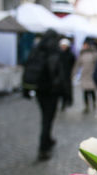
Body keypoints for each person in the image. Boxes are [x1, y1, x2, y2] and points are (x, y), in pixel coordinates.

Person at [22, 29, 66, 161]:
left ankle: (47, 139)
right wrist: (63, 92)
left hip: (40, 91)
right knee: (48, 118)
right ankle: (43, 147)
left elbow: (27, 68)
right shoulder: (55, 52)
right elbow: (60, 75)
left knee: (45, 117)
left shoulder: (37, 50)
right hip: (51, 92)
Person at [73, 40, 97, 113]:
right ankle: (86, 106)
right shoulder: (82, 53)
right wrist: (74, 73)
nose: (84, 46)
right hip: (84, 75)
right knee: (85, 92)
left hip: (92, 75)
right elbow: (77, 64)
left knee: (92, 91)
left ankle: (94, 104)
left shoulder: (94, 53)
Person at [58, 38, 75, 110]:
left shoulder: (70, 55)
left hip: (67, 74)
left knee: (67, 89)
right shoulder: (58, 54)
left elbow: (73, 64)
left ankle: (66, 101)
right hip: (60, 75)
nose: (63, 47)